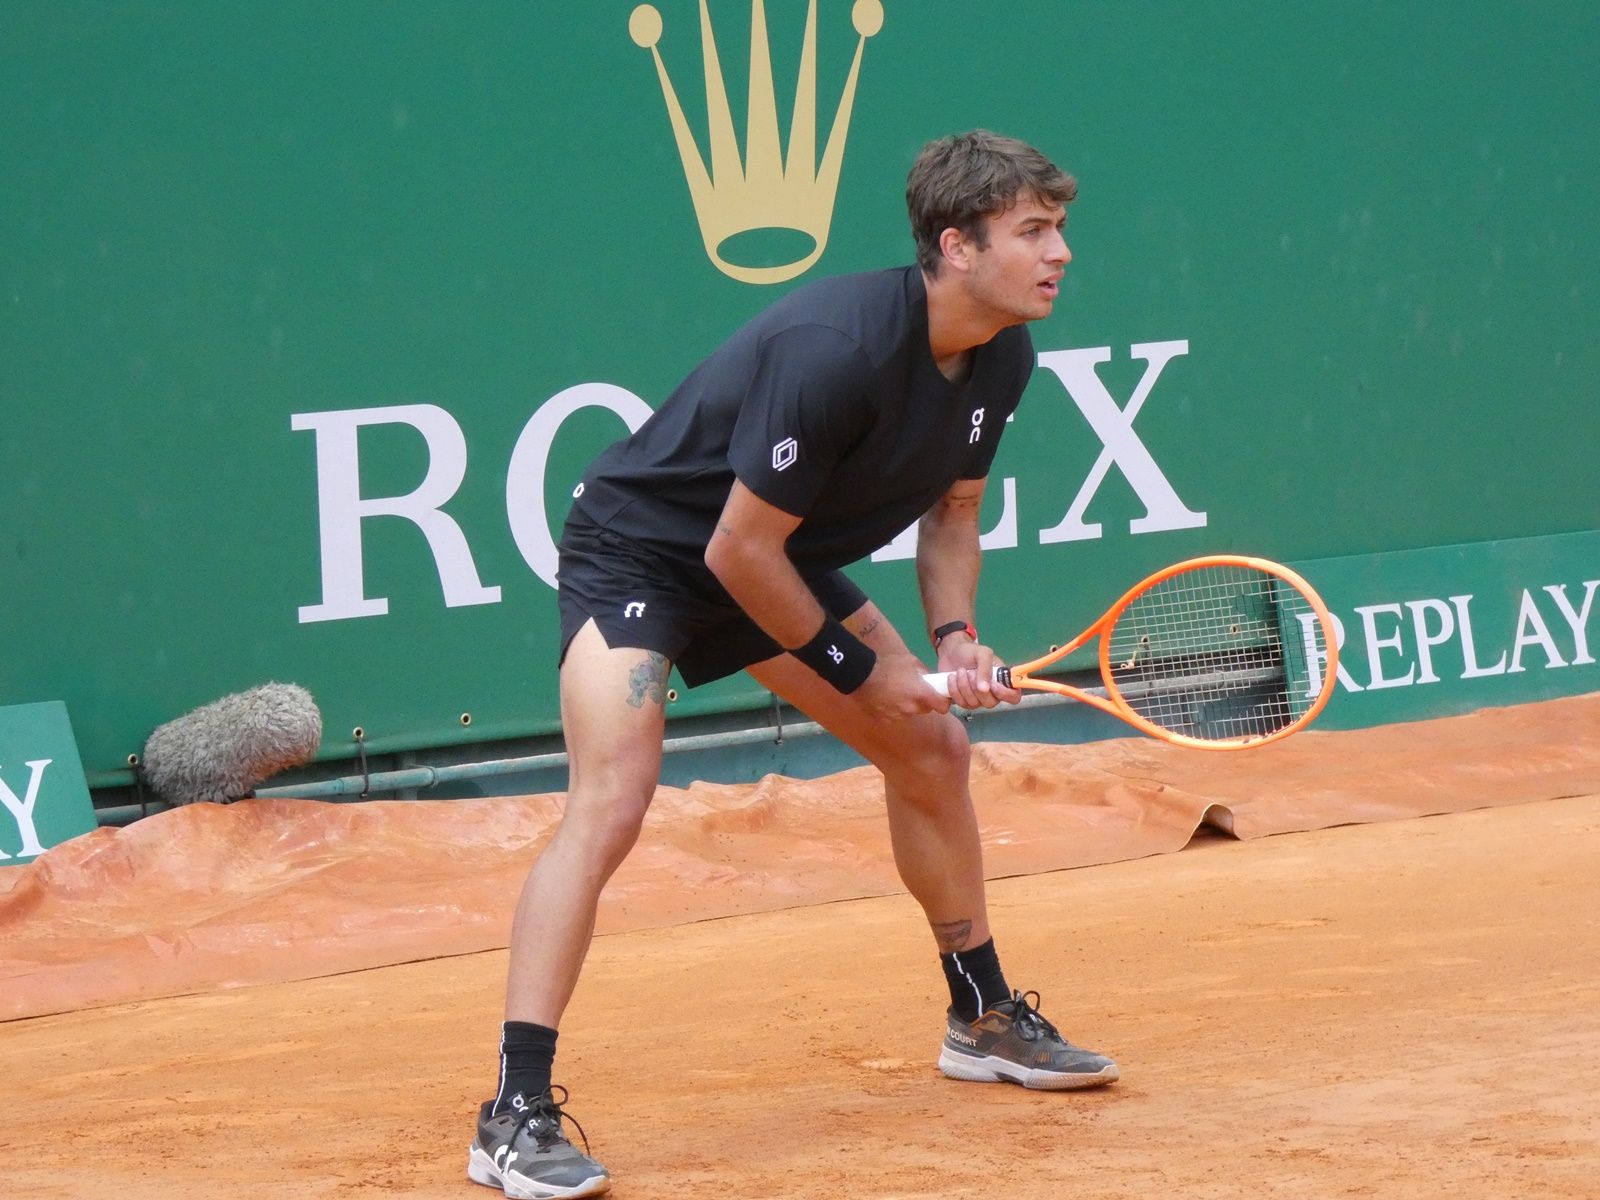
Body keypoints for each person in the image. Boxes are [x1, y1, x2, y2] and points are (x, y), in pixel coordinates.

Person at [467, 130, 1116, 1200]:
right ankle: (513, 1113)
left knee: (931, 751)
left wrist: (952, 642)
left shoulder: (1002, 355)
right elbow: (730, 550)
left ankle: (981, 1015)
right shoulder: (838, 350)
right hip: (649, 554)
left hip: (780, 557)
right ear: (956, 246)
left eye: (1058, 230)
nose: (1061, 254)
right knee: (613, 800)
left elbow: (952, 517)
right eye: (1034, 232)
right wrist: (858, 670)